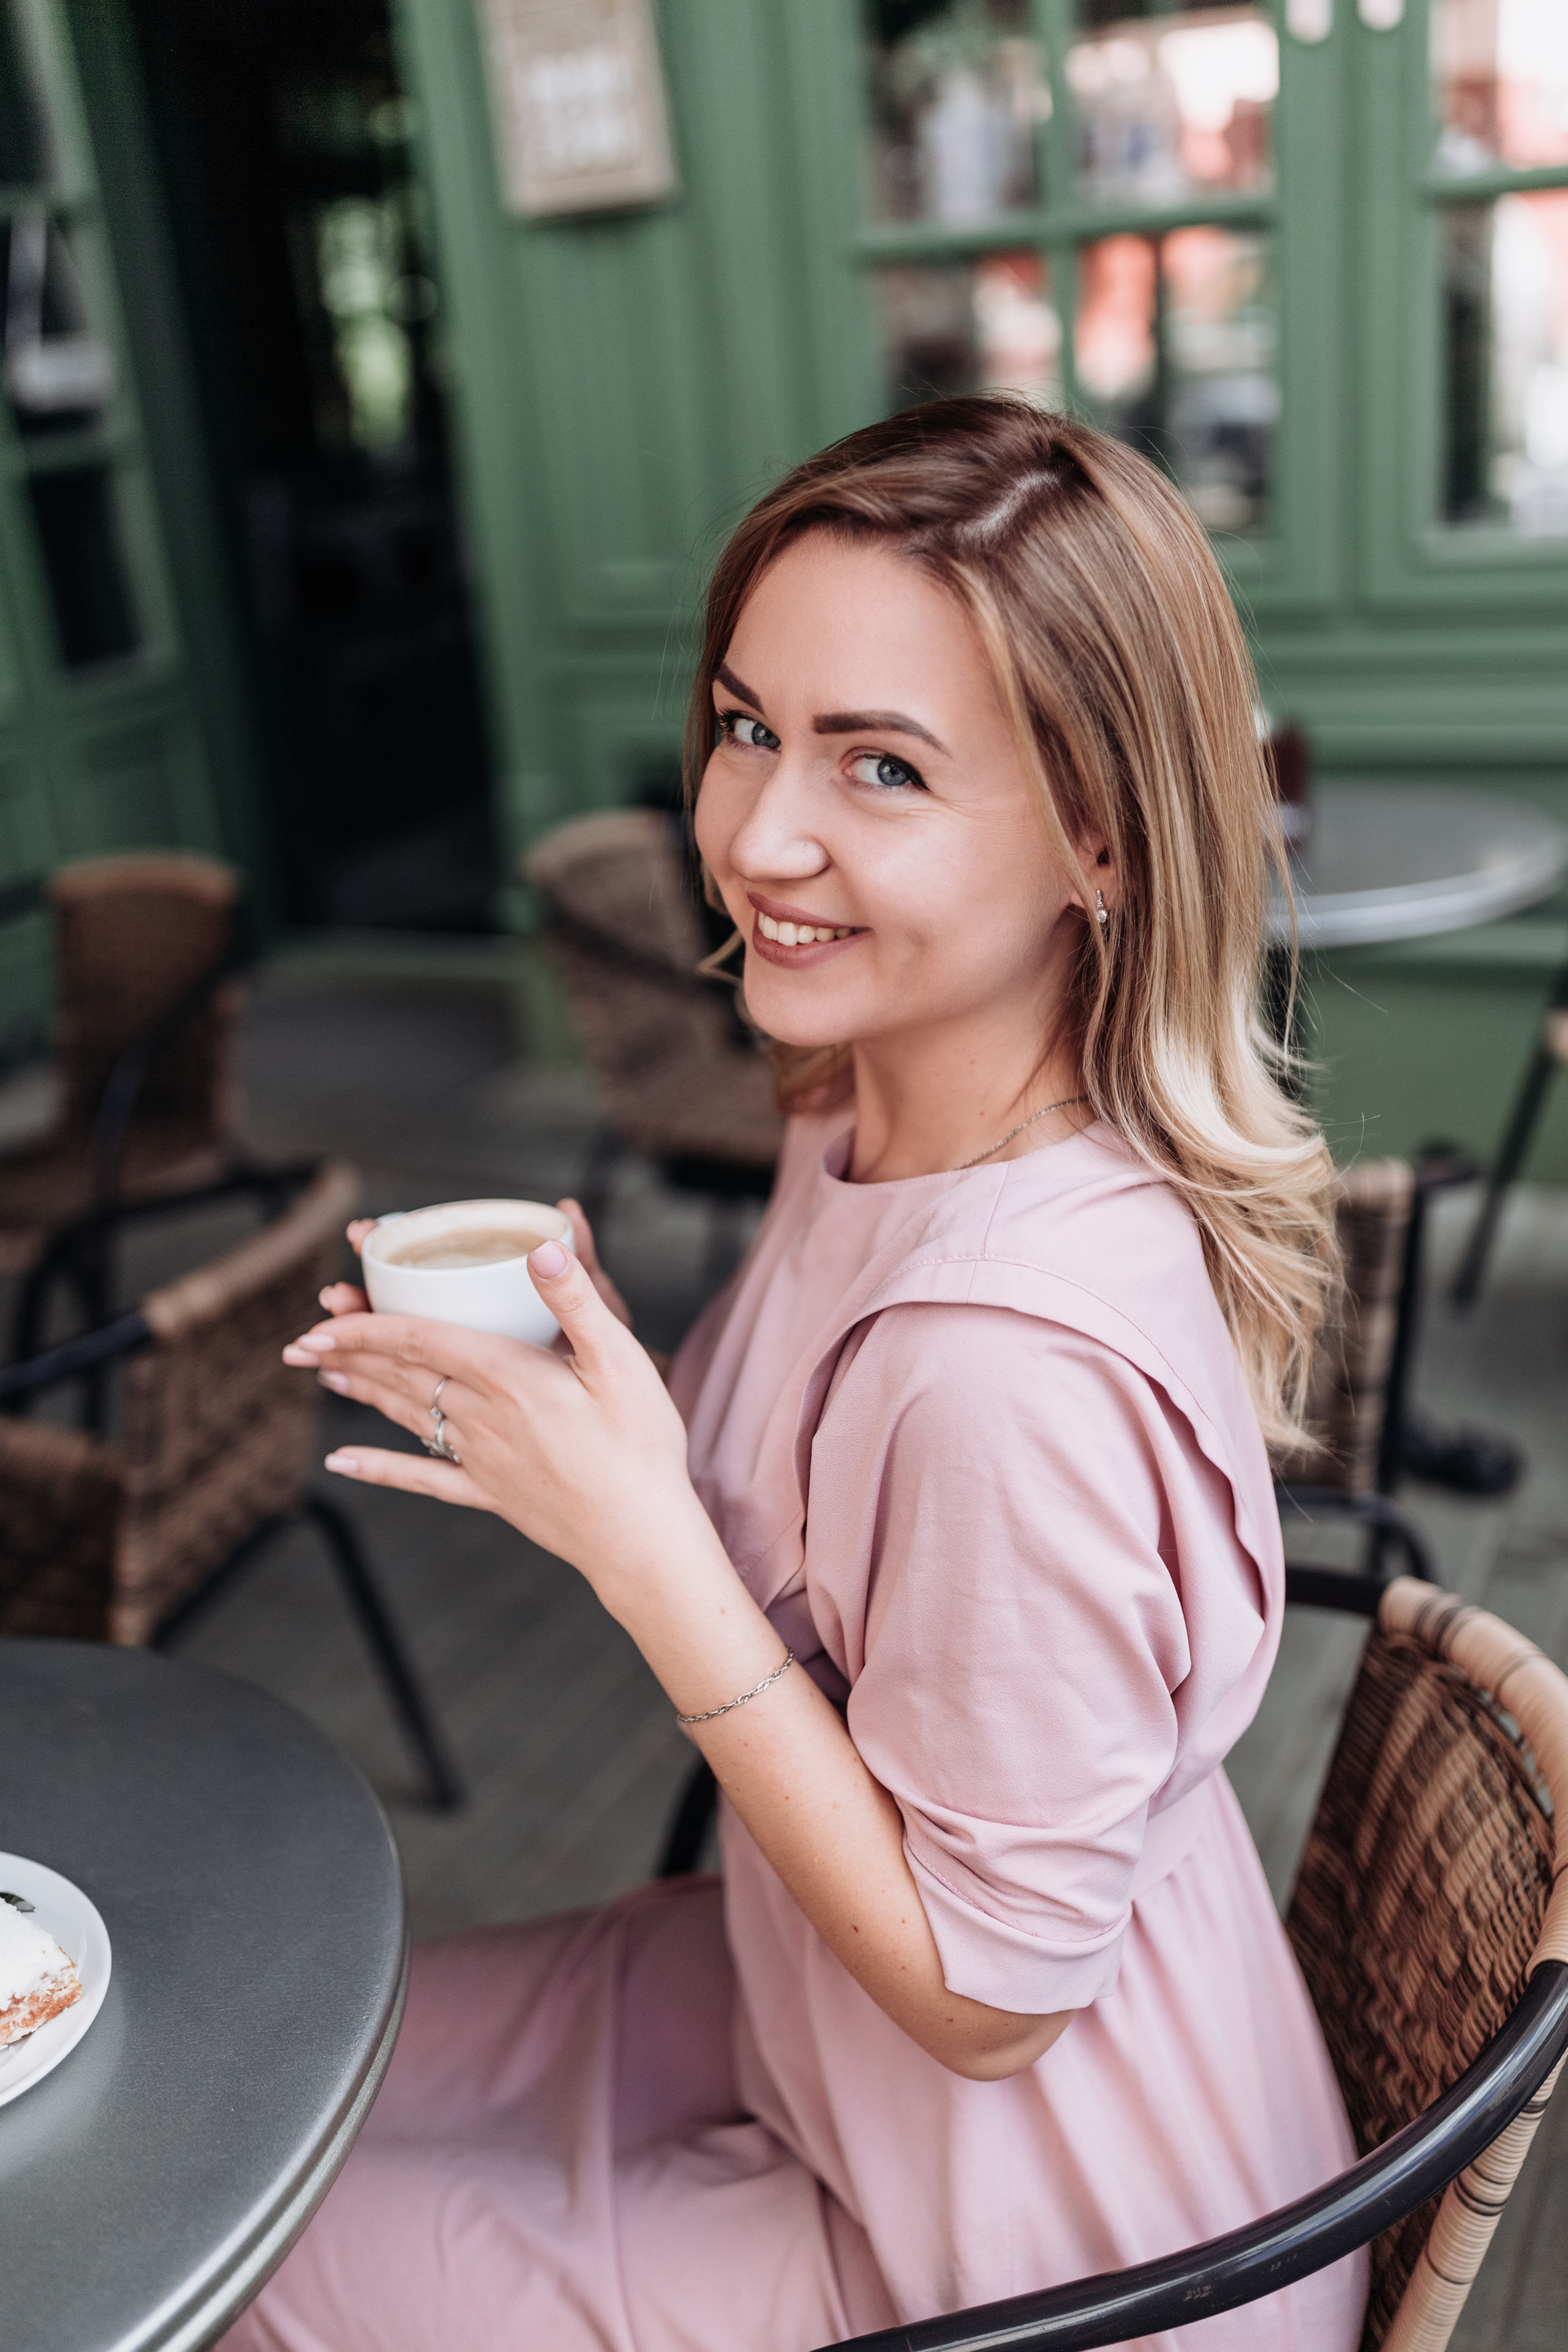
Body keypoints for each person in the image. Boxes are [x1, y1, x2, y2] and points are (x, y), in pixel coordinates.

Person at [232, 399, 1364, 2351]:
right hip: (812, 2022)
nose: (757, 835)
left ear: (1101, 836)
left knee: (236, 2260)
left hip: (1055, 2249)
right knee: (239, 2082)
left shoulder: (999, 1371)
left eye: (885, 768)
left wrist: (643, 1549)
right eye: (751, 726)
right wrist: (607, 1440)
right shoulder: (864, 1100)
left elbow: (992, 2004)